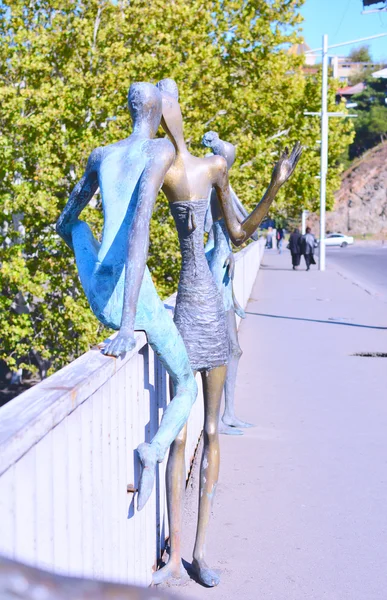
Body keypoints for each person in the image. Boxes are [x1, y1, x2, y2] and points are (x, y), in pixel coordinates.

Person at [153, 78, 302, 587]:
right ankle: (175, 557)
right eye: (161, 104)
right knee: (179, 435)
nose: (167, 113)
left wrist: (276, 184)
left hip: (211, 313)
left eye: (169, 102)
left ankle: (198, 553)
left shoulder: (212, 168)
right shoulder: (163, 170)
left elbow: (238, 236)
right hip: (185, 312)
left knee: (211, 431)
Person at [56, 82, 198, 512]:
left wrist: (91, 244)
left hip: (97, 286)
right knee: (187, 384)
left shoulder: (101, 154)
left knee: (82, 231)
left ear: (130, 108)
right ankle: (154, 450)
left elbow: (67, 221)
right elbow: (139, 234)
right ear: (158, 112)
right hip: (128, 301)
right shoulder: (158, 152)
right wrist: (126, 324)